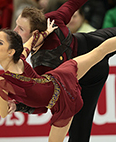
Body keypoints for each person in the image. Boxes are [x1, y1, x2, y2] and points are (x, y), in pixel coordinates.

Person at [8, 0, 116, 142]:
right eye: (16, 25)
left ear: (34, 33)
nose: (14, 31)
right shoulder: (40, 65)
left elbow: (73, 3)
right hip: (87, 79)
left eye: (20, 28)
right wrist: (17, 105)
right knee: (79, 136)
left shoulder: (51, 20)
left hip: (93, 43)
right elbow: (42, 100)